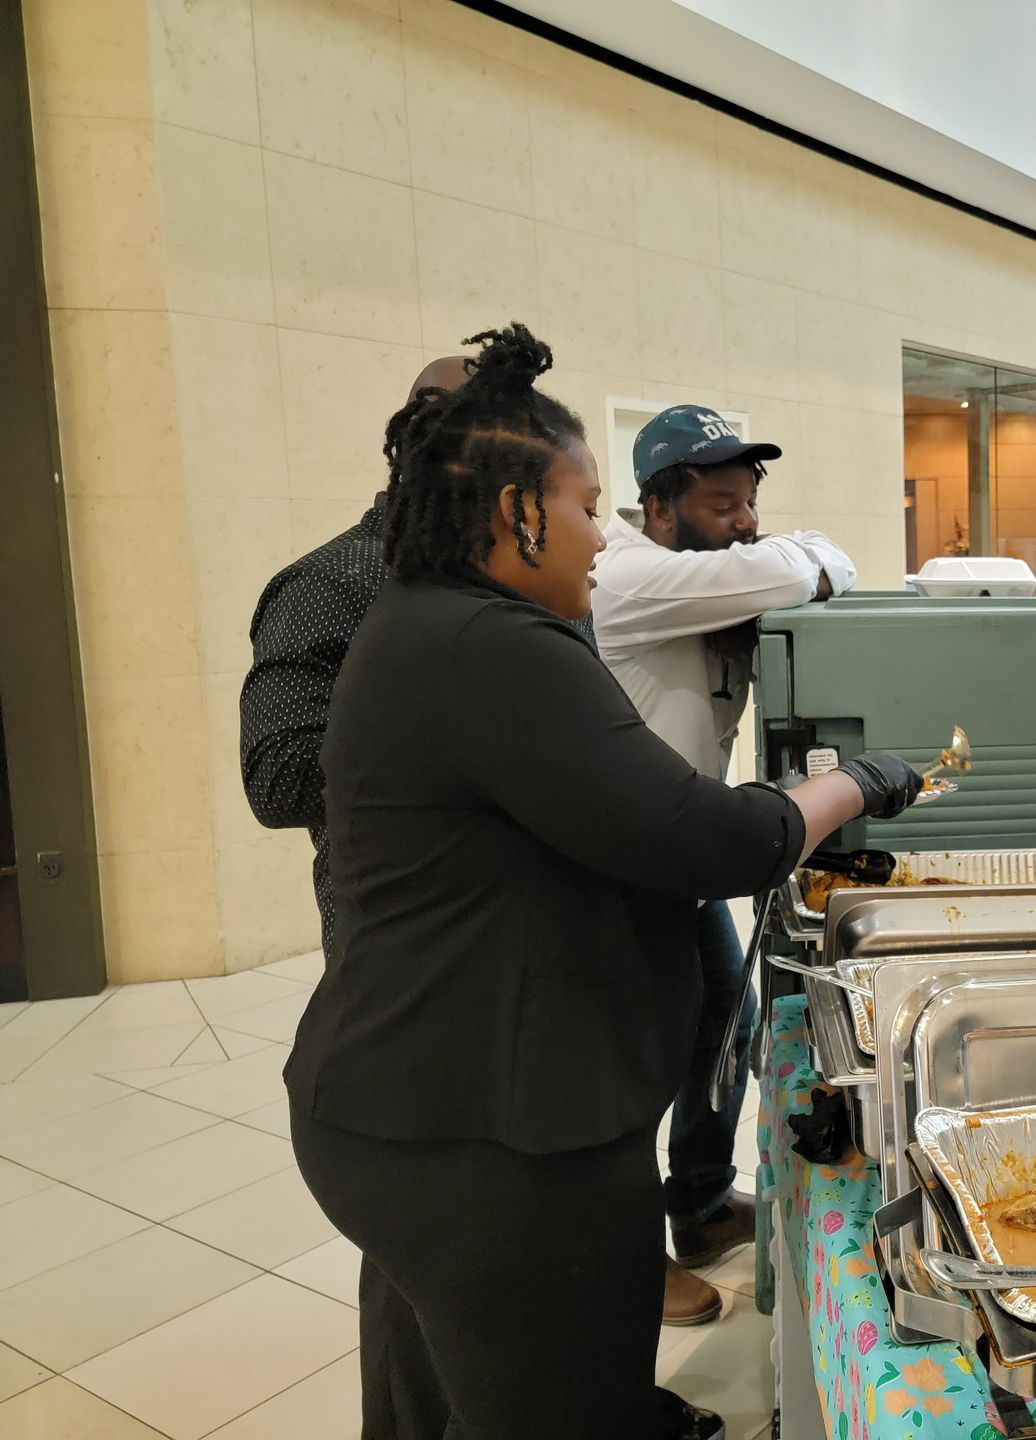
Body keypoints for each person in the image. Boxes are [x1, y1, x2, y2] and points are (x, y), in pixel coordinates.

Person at [282, 323, 921, 1438]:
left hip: (421, 1102)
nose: (600, 542)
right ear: (515, 510)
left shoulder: (429, 624)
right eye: (586, 511)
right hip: (487, 1136)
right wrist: (854, 787)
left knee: (441, 1395)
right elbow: (710, 837)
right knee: (555, 1400)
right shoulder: (495, 647)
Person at [242, 351, 479, 1440]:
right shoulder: (327, 584)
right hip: (396, 971)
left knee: (495, 1242)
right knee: (418, 1246)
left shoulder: (502, 577)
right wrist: (442, 738)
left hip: (508, 958)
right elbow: (275, 779)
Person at [591, 404, 858, 1326]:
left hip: (683, 853)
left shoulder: (704, 577)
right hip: (618, 869)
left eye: (750, 501)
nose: (745, 521)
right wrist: (795, 559)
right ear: (657, 507)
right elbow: (810, 563)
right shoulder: (629, 576)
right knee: (636, 1063)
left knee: (722, 1017)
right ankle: (626, 1259)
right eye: (720, 502)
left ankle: (700, 1205)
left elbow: (804, 560)